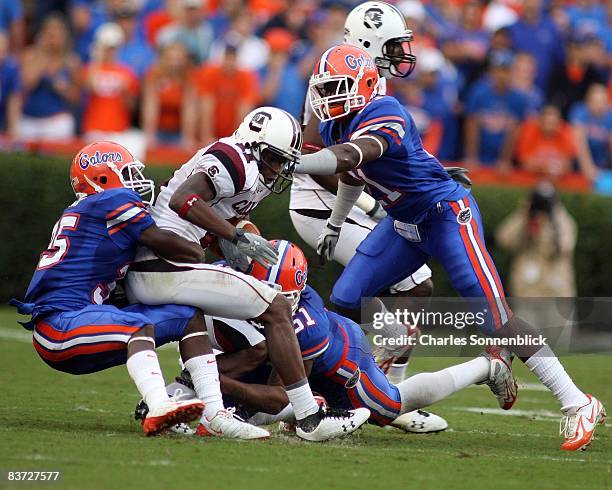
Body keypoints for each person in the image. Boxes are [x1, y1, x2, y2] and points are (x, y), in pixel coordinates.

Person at [295, 43, 605, 451]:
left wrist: (295, 162)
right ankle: (349, 393)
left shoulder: (385, 111)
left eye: (337, 86)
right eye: (325, 88)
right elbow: (353, 173)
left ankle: (577, 402)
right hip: (404, 221)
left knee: (496, 318)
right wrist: (336, 222)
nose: (329, 97)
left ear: (366, 84)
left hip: (445, 214)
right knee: (346, 296)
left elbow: (355, 154)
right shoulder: (339, 123)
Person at [124, 106, 370, 441]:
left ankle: (178, 397)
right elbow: (184, 200)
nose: (280, 168)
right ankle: (309, 416)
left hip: (168, 265)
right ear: (254, 145)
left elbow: (205, 226)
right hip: (159, 264)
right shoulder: (235, 158)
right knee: (277, 307)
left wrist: (233, 239)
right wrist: (234, 236)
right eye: (275, 158)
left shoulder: (255, 173)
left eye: (285, 161)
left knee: (258, 340)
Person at [165, 241, 514, 433]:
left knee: (388, 407)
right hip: (286, 357)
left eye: (280, 295)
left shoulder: (302, 324)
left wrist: (217, 384)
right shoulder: (230, 280)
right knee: (247, 362)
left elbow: (277, 398)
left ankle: (487, 367)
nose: (270, 300)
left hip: (344, 363)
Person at [8, 141, 227, 436]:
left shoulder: (93, 209)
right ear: (101, 179)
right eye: (128, 173)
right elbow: (166, 243)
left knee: (187, 316)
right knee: (136, 326)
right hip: (59, 325)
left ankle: (215, 413)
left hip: (81, 319)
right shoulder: (111, 200)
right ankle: (159, 406)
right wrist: (200, 243)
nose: (136, 181)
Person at [292, 2, 436, 383]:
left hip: (347, 196)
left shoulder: (375, 80)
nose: (400, 54)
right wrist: (372, 202)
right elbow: (315, 155)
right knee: (402, 287)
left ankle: (387, 387)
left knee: (415, 286)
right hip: (319, 200)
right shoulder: (337, 76)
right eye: (391, 46)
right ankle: (322, 374)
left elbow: (373, 153)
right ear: (369, 43)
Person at [496, 182, 577, 298]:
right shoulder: (525, 218)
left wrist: (553, 218)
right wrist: (524, 214)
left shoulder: (564, 221)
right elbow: (503, 239)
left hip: (556, 291)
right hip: (526, 291)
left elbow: (565, 246)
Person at [18, 14, 80, 141]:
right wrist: (42, 55)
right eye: (50, 35)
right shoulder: (29, 56)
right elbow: (26, 85)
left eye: (58, 35)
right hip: (29, 120)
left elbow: (77, 98)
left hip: (57, 120)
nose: (54, 40)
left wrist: (64, 89)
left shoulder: (71, 62)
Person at [464, 50, 528, 169]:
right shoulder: (479, 92)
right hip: (480, 155)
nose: (502, 75)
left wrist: (505, 160)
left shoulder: (519, 98)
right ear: (492, 71)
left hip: (502, 158)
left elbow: (514, 131)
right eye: (499, 70)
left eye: (506, 70)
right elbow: (472, 125)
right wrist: (472, 157)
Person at [191, 43, 258, 144]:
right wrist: (207, 136)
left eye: (233, 59)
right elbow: (206, 105)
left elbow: (244, 108)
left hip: (231, 131)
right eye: (227, 58)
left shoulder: (246, 77)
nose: (230, 63)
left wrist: (237, 140)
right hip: (211, 130)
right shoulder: (210, 72)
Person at [141, 41, 196, 148]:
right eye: (171, 59)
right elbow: (150, 106)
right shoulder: (154, 75)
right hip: (158, 130)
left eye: (178, 59)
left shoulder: (188, 78)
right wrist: (149, 136)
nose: (174, 63)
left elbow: (189, 110)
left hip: (178, 131)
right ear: (164, 59)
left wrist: (188, 138)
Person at [515, 105, 577, 178]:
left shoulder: (565, 133)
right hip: (531, 177)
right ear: (540, 121)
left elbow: (568, 165)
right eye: (547, 123)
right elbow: (523, 162)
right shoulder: (530, 132)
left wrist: (555, 169)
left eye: (552, 123)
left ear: (559, 123)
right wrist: (544, 168)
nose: (549, 127)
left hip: (557, 178)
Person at [569, 84, 612, 181]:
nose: (600, 105)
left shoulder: (609, 117)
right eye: (596, 101)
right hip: (578, 165)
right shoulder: (580, 112)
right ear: (588, 102)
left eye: (603, 102)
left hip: (602, 165)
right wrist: (589, 169)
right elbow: (580, 145)